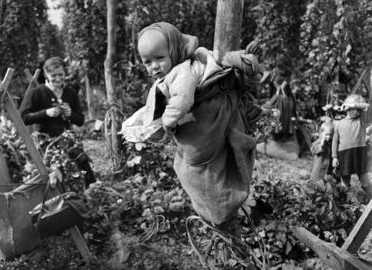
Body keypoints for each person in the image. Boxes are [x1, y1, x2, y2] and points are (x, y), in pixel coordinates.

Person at [123, 22, 262, 227]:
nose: (154, 66)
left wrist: (169, 123)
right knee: (201, 173)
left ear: (175, 51)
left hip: (204, 127)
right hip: (204, 126)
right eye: (147, 62)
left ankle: (220, 210)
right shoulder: (176, 71)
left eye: (160, 58)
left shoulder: (181, 71)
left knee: (195, 169)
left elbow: (182, 100)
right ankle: (219, 209)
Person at [19, 56, 95, 188]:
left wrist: (70, 114)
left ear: (65, 74)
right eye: (53, 75)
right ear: (46, 74)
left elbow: (80, 121)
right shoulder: (37, 93)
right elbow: (23, 118)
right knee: (55, 174)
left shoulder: (70, 92)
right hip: (45, 143)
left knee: (83, 168)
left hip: (67, 141)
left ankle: (86, 196)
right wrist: (46, 113)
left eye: (61, 75)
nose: (58, 79)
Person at [332, 94, 372, 197]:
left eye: (359, 109)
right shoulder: (339, 123)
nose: (358, 112)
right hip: (344, 155)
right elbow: (335, 141)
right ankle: (344, 202)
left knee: (364, 179)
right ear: (348, 108)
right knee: (345, 181)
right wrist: (334, 157)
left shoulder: (361, 121)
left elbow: (366, 107)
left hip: (359, 153)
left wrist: (354, 104)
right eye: (355, 109)